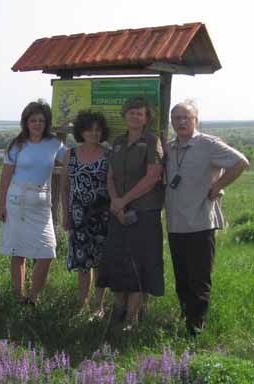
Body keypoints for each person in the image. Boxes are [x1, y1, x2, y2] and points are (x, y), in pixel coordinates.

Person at [165, 101, 249, 336]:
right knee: (181, 278)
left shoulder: (209, 144)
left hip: (201, 222)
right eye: (177, 118)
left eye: (186, 117)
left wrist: (218, 185)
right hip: (175, 224)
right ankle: (186, 318)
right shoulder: (171, 148)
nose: (181, 122)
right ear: (171, 122)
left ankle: (196, 329)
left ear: (196, 120)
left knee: (198, 279)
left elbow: (241, 162)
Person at [96, 97, 165, 329]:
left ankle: (133, 318)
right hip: (118, 212)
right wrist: (116, 203)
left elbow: (153, 176)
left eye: (140, 113)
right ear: (125, 115)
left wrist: (124, 200)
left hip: (144, 212)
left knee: (139, 263)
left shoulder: (152, 141)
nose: (135, 116)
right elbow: (110, 176)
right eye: (132, 112)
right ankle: (119, 311)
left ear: (147, 119)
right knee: (117, 260)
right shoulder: (118, 142)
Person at [0, 99, 66, 306]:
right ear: (26, 122)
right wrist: (1, 204)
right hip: (17, 201)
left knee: (46, 252)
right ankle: (19, 298)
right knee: (18, 252)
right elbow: (5, 176)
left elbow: (73, 159)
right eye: (33, 120)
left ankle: (34, 297)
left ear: (46, 123)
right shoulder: (17, 145)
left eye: (41, 120)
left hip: (42, 203)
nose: (37, 124)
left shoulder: (54, 144)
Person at [61, 110, 109, 317]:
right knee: (82, 264)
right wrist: (66, 214)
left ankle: (99, 306)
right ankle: (82, 305)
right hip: (78, 215)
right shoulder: (70, 154)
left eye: (98, 130)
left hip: (102, 214)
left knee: (100, 262)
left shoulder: (108, 154)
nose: (94, 133)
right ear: (82, 131)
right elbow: (64, 187)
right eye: (89, 129)